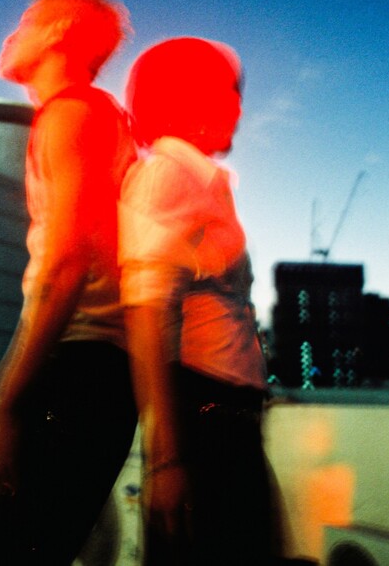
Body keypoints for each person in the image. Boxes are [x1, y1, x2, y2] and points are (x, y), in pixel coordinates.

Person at [0, 0, 138, 565]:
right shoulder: (97, 116)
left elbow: (67, 265)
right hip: (94, 373)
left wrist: (9, 403)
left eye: (24, 21)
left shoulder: (71, 114)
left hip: (78, 373)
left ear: (58, 31)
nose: (9, 35)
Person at [118, 37, 273, 565]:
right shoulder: (168, 174)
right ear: (185, 97)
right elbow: (144, 313)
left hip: (227, 418)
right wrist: (166, 460)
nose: (239, 109)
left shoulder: (202, 181)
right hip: (203, 422)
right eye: (228, 93)